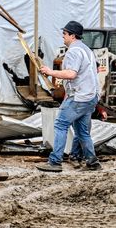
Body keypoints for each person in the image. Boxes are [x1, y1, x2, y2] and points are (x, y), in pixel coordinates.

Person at [36, 21, 101, 173]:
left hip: (79, 96)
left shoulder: (73, 51)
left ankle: (55, 161)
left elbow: (71, 74)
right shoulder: (86, 50)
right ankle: (92, 162)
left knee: (60, 124)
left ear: (72, 36)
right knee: (82, 132)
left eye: (65, 34)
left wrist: (50, 72)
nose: (63, 37)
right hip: (90, 96)